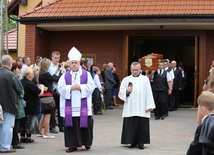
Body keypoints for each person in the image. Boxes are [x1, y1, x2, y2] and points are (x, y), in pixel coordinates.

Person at [58, 47, 95, 153]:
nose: (74, 64)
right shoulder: (64, 76)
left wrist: (81, 87)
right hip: (70, 107)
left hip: (83, 106)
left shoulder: (86, 74)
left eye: (76, 62)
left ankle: (87, 143)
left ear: (79, 63)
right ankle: (72, 145)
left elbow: (91, 87)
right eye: (72, 62)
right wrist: (70, 88)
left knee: (86, 124)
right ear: (69, 64)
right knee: (71, 126)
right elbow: (60, 88)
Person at [118, 62, 156, 150]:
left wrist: (149, 105)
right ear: (130, 70)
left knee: (142, 124)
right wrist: (127, 91)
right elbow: (120, 93)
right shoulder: (126, 79)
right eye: (133, 70)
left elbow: (149, 92)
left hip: (142, 106)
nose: (134, 72)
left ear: (140, 70)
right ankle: (132, 141)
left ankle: (141, 142)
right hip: (130, 106)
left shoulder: (145, 79)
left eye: (136, 70)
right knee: (131, 124)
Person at [0, 55, 24, 153]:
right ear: (10, 63)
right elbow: (20, 89)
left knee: (1, 126)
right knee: (8, 126)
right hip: (9, 104)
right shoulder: (11, 75)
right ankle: (5, 147)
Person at [20, 67, 45, 143]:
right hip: (31, 105)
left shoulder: (21, 82)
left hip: (23, 105)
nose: (33, 76)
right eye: (32, 74)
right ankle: (28, 137)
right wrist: (42, 87)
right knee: (30, 121)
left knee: (23, 121)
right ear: (28, 75)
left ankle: (22, 136)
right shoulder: (31, 84)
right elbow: (39, 93)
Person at [39, 58, 60, 139]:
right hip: (48, 95)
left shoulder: (40, 73)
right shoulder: (46, 73)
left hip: (43, 95)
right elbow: (55, 79)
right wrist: (62, 72)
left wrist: (57, 71)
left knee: (44, 114)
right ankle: (46, 133)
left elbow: (51, 77)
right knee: (48, 115)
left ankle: (40, 131)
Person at [48, 51, 63, 133]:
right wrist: (56, 80)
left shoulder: (61, 66)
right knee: (52, 110)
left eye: (58, 58)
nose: (57, 60)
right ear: (52, 57)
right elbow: (51, 79)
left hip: (60, 91)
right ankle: (52, 126)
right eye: (55, 58)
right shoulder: (49, 67)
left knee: (60, 109)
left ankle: (61, 126)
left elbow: (62, 79)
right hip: (53, 90)